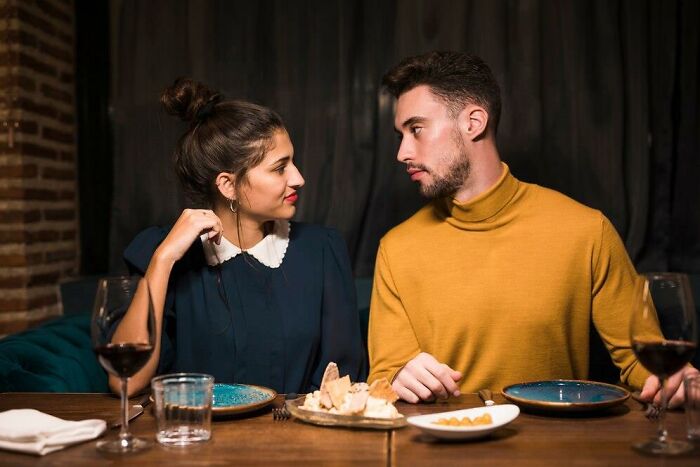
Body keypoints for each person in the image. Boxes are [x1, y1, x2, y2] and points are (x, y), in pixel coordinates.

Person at [367, 51, 698, 404]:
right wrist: (401, 376)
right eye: (400, 135)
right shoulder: (396, 247)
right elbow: (384, 375)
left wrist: (678, 380)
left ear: (474, 122)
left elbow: (640, 360)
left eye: (416, 129)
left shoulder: (586, 230)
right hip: (441, 447)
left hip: (556, 447)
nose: (402, 152)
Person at [112, 78, 366, 396]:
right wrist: (163, 260)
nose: (299, 178)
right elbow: (127, 382)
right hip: (193, 438)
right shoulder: (157, 251)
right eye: (280, 168)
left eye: (294, 162)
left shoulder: (321, 249)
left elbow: (342, 381)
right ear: (228, 185)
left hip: (296, 438)